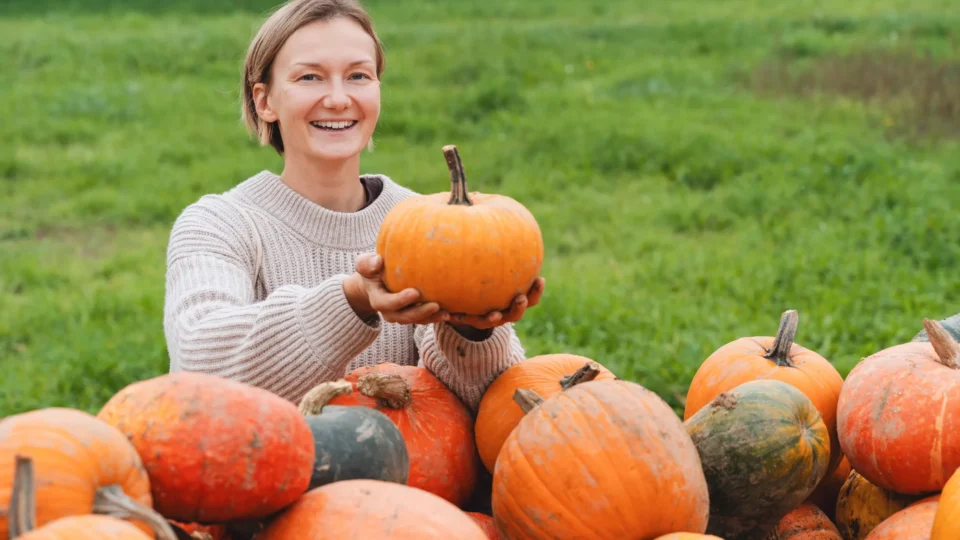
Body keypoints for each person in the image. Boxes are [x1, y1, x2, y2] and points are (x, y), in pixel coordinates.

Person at [162, 0, 544, 413]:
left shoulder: (428, 228)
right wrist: (352, 299)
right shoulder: (218, 225)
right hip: (266, 473)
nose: (339, 99)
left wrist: (473, 331)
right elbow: (200, 368)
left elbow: (491, 413)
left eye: (358, 76)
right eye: (310, 77)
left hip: (411, 474)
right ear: (264, 101)